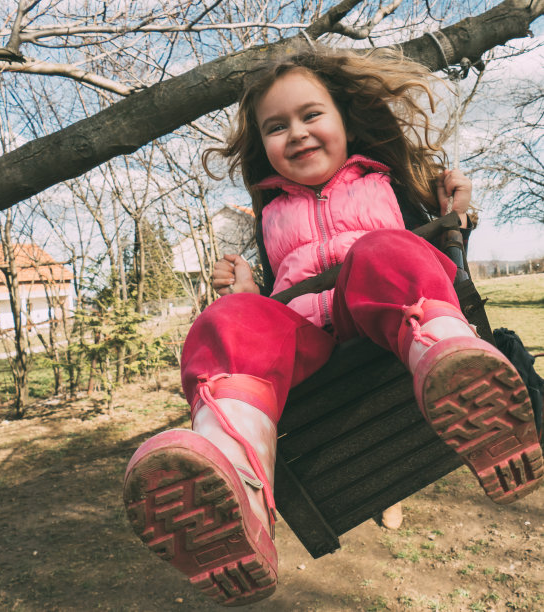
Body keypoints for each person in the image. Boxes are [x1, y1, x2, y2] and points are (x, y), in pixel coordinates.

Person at [123, 48, 543, 606]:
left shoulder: (388, 183)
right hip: (311, 346)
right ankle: (237, 481)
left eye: (310, 115)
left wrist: (456, 215)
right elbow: (276, 307)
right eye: (276, 127)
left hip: (388, 325)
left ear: (345, 119)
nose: (295, 133)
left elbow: (439, 257)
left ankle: (450, 363)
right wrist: (250, 297)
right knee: (225, 318)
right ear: (263, 145)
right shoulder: (267, 213)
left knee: (387, 249)